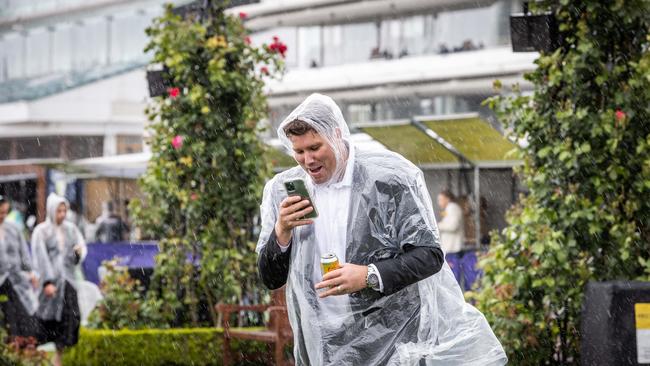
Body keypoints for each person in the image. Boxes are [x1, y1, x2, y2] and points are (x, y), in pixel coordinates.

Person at [256, 93, 506, 365]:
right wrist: (281, 232)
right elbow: (271, 278)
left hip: (391, 338)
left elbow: (430, 255)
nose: (307, 160)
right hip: (323, 342)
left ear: (337, 134)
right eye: (299, 151)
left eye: (315, 148)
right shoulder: (284, 190)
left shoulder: (390, 178)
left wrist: (369, 275)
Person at [31, 193, 87, 366]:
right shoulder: (42, 231)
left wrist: (78, 253)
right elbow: (41, 256)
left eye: (64, 211)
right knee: (44, 322)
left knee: (67, 323)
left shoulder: (71, 229)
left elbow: (79, 250)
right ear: (51, 211)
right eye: (59, 211)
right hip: (51, 285)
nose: (62, 214)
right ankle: (32, 358)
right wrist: (47, 281)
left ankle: (58, 361)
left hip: (68, 282)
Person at [0, 195, 39, 340]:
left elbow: (24, 254)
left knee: (26, 321)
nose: (2, 216)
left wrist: (31, 272)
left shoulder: (13, 229)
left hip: (18, 281)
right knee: (8, 321)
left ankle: (24, 349)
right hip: (2, 284)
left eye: (4, 212)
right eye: (0, 213)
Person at [436, 190, 466, 287]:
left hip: (452, 249)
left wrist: (437, 226)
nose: (439, 202)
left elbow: (453, 226)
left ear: (447, 199)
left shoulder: (453, 208)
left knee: (452, 279)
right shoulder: (450, 208)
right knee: (450, 278)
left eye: (441, 199)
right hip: (450, 249)